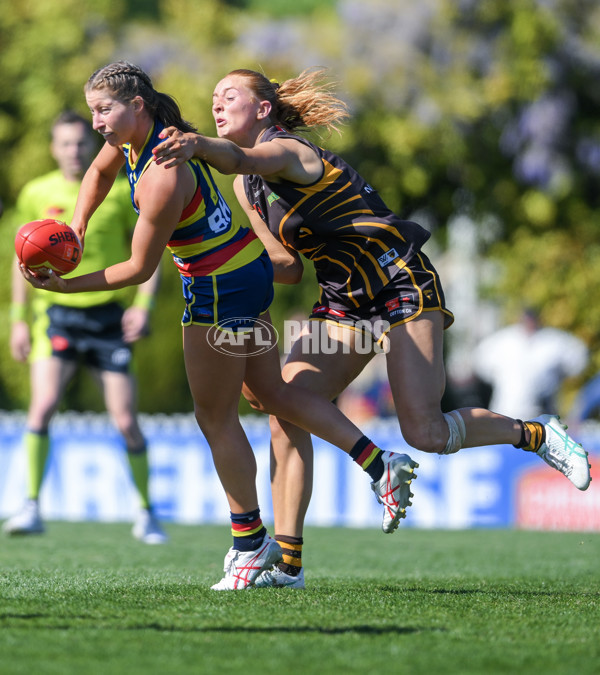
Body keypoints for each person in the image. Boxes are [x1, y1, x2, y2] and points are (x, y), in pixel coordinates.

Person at [152, 66, 592, 589]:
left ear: (263, 109)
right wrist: (222, 260)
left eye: (229, 96)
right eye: (213, 98)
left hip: (400, 284)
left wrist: (195, 145)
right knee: (283, 402)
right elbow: (287, 265)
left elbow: (240, 156)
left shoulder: (286, 151)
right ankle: (286, 564)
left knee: (424, 432)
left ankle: (537, 433)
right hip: (345, 303)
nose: (217, 104)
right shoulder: (248, 188)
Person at [20, 62, 422, 591]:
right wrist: (77, 224)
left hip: (219, 289)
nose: (97, 122)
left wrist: (65, 288)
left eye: (104, 110)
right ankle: (379, 462)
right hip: (245, 273)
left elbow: (138, 268)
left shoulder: (163, 169)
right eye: (92, 110)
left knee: (214, 418)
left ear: (136, 106)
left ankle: (249, 545)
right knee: (272, 394)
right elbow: (96, 175)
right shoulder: (131, 141)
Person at [3, 110, 167, 544]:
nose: (74, 151)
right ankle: (31, 506)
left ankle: (147, 513)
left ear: (91, 147)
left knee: (126, 420)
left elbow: (151, 253)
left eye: (81, 143)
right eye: (66, 143)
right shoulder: (37, 192)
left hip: (108, 317)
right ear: (54, 148)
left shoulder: (118, 192)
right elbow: (19, 265)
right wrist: (19, 321)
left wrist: (144, 305)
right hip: (56, 315)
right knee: (42, 406)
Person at [473, 308, 589, 420]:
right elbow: (481, 363)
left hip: (542, 414)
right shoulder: (503, 340)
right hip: (506, 412)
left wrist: (557, 378)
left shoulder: (553, 340)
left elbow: (578, 360)